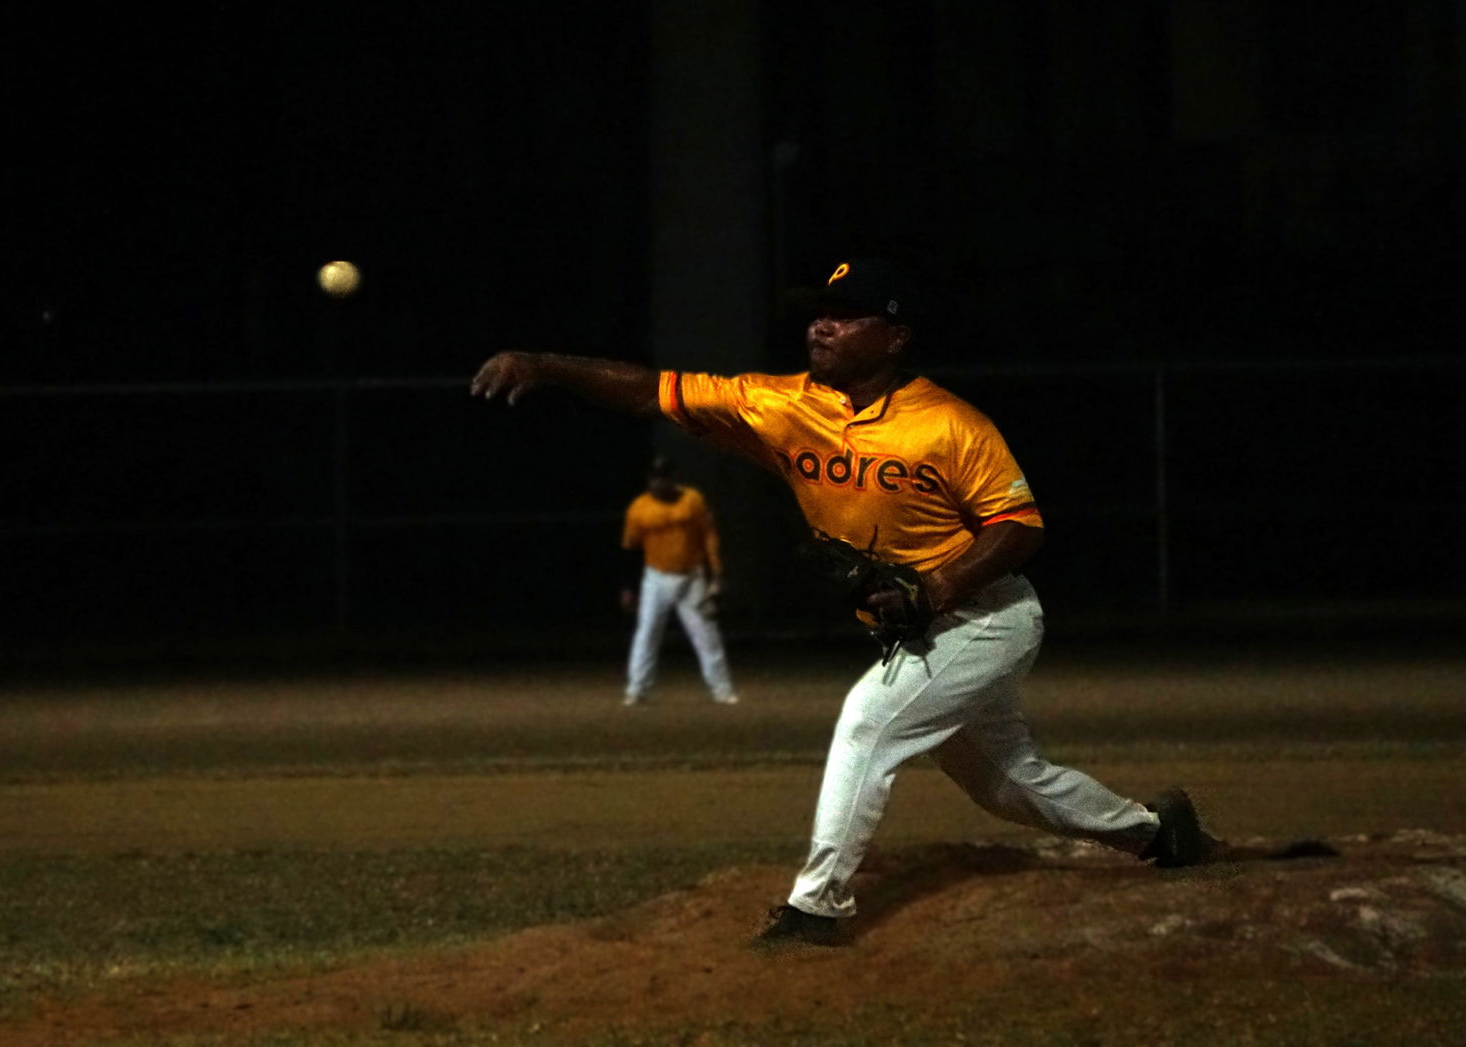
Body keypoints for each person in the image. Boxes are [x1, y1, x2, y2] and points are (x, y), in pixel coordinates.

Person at [470, 256, 1215, 947]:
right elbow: (652, 390)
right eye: (818, 312)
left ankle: (818, 904)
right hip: (917, 629)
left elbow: (1020, 527)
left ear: (895, 336)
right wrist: (545, 365)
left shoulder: (951, 424)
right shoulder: (781, 404)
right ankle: (1156, 832)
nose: (821, 324)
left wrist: (937, 586)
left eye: (847, 312)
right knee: (1008, 781)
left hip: (988, 617)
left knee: (866, 723)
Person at [619, 454, 740, 706]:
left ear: (673, 479)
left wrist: (716, 572)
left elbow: (709, 536)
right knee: (647, 632)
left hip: (691, 577)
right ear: (649, 480)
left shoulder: (691, 500)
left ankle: (722, 690)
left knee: (706, 634)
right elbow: (630, 549)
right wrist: (629, 587)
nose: (659, 483)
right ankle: (637, 689)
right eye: (655, 478)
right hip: (656, 578)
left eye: (664, 477)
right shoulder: (639, 508)